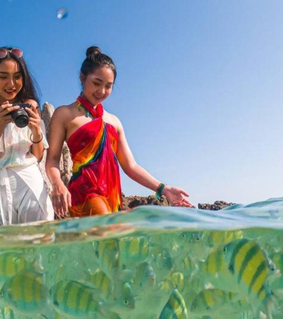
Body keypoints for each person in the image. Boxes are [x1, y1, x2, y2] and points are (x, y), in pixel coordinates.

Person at [46, 46, 193, 218]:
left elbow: (130, 166)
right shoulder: (65, 114)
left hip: (112, 196)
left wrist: (164, 189)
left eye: (108, 86)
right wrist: (58, 184)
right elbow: (53, 159)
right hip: (84, 194)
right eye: (96, 83)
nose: (101, 91)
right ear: (82, 77)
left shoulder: (114, 122)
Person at [0, 47, 54, 226]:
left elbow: (36, 156)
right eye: (3, 77)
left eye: (18, 76)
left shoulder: (30, 105)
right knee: (7, 248)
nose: (11, 84)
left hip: (29, 179)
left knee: (40, 243)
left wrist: (36, 131)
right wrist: (0, 125)